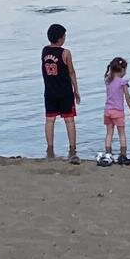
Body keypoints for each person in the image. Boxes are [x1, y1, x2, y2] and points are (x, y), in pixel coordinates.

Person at [42, 23, 80, 161]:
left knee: (49, 120)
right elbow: (71, 72)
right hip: (64, 92)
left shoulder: (44, 51)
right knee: (69, 120)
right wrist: (76, 89)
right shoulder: (66, 53)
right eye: (64, 36)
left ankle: (50, 148)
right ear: (60, 38)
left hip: (50, 91)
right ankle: (72, 148)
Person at [103, 56, 130, 160]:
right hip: (118, 112)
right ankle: (123, 154)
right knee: (122, 134)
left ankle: (108, 153)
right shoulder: (122, 82)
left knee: (109, 133)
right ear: (122, 70)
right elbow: (127, 96)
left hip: (107, 111)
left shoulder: (108, 80)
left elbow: (109, 76)